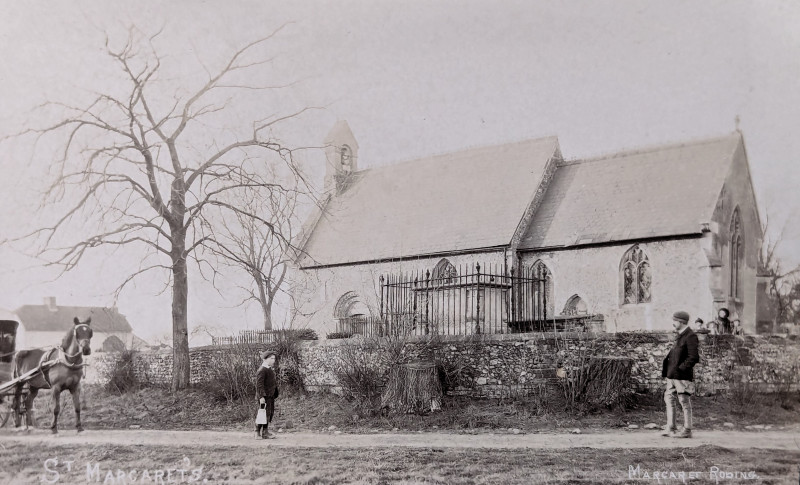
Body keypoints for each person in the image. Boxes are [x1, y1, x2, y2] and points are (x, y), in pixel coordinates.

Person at [661, 311, 700, 439]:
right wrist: (670, 371)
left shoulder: (690, 336)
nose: (673, 323)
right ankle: (671, 427)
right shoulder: (679, 335)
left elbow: (693, 357)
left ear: (681, 322)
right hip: (672, 375)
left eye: (675, 321)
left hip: (681, 376)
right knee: (669, 399)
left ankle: (687, 430)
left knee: (684, 401)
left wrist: (681, 369)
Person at [255, 350, 279, 440]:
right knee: (262, 414)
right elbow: (259, 385)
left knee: (268, 414)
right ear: (265, 359)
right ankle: (257, 432)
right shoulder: (262, 370)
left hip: (270, 396)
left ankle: (265, 432)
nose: (274, 360)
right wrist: (261, 397)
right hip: (264, 397)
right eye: (271, 358)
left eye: (274, 358)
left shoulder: (268, 369)